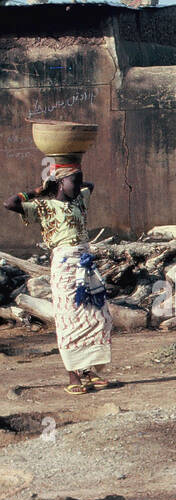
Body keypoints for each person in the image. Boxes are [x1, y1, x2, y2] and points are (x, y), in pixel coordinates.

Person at [4, 161, 113, 395]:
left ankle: (89, 370)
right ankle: (73, 373)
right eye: (74, 180)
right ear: (61, 183)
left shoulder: (80, 200)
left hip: (85, 262)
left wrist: (75, 174)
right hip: (65, 264)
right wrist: (36, 190)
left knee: (98, 315)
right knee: (69, 317)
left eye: (79, 180)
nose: (79, 184)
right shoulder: (44, 206)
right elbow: (10, 203)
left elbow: (90, 185)